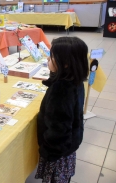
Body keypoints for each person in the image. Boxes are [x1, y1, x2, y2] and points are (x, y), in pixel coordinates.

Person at [35, 37, 89, 183]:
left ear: (65, 63)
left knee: (55, 179)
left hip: (57, 152)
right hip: (69, 146)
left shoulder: (60, 89)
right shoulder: (75, 80)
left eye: (52, 56)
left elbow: (59, 129)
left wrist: (48, 152)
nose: (48, 58)